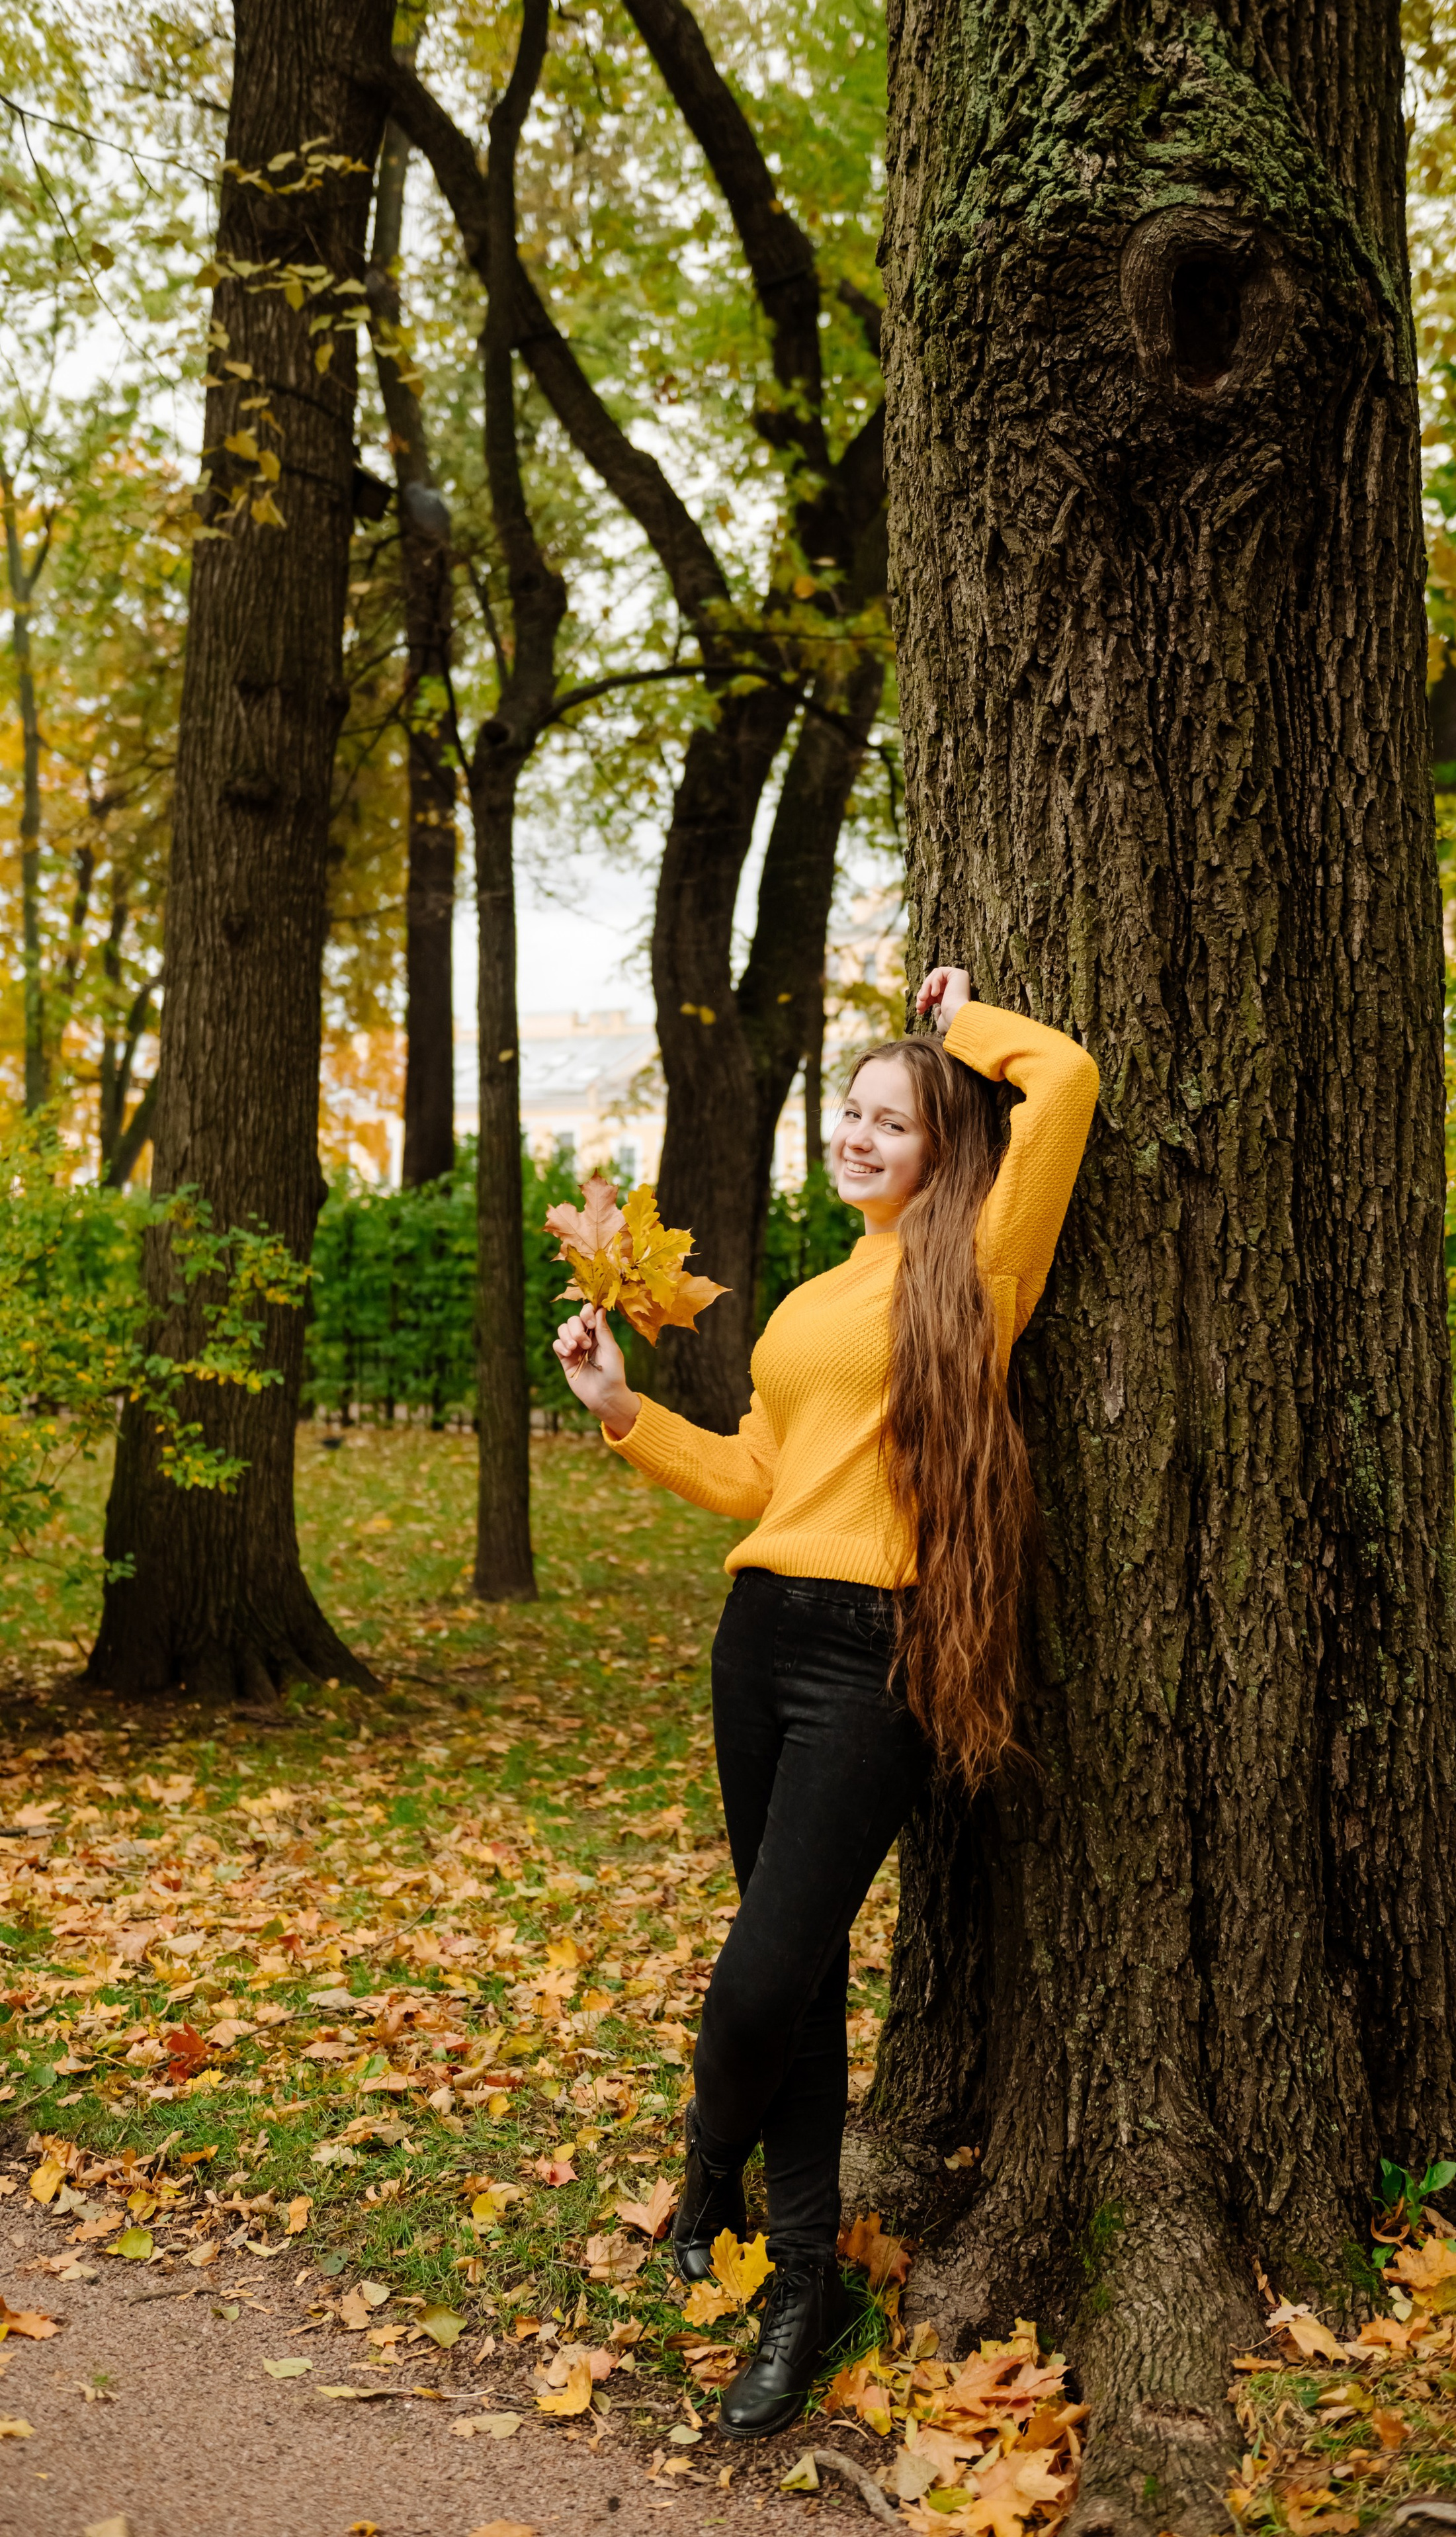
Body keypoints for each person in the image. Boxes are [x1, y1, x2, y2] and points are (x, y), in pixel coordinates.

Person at [553, 965, 1097, 2436]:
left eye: (893, 1121)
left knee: (759, 1976)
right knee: (793, 1980)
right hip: (760, 1632)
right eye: (849, 1115)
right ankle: (804, 2287)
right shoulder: (808, 1296)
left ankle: (707, 2167)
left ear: (945, 1149)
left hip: (881, 1656)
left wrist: (950, 1030)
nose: (856, 1138)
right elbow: (756, 1478)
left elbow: (1066, 1081)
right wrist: (621, 1412)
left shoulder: (978, 1257)